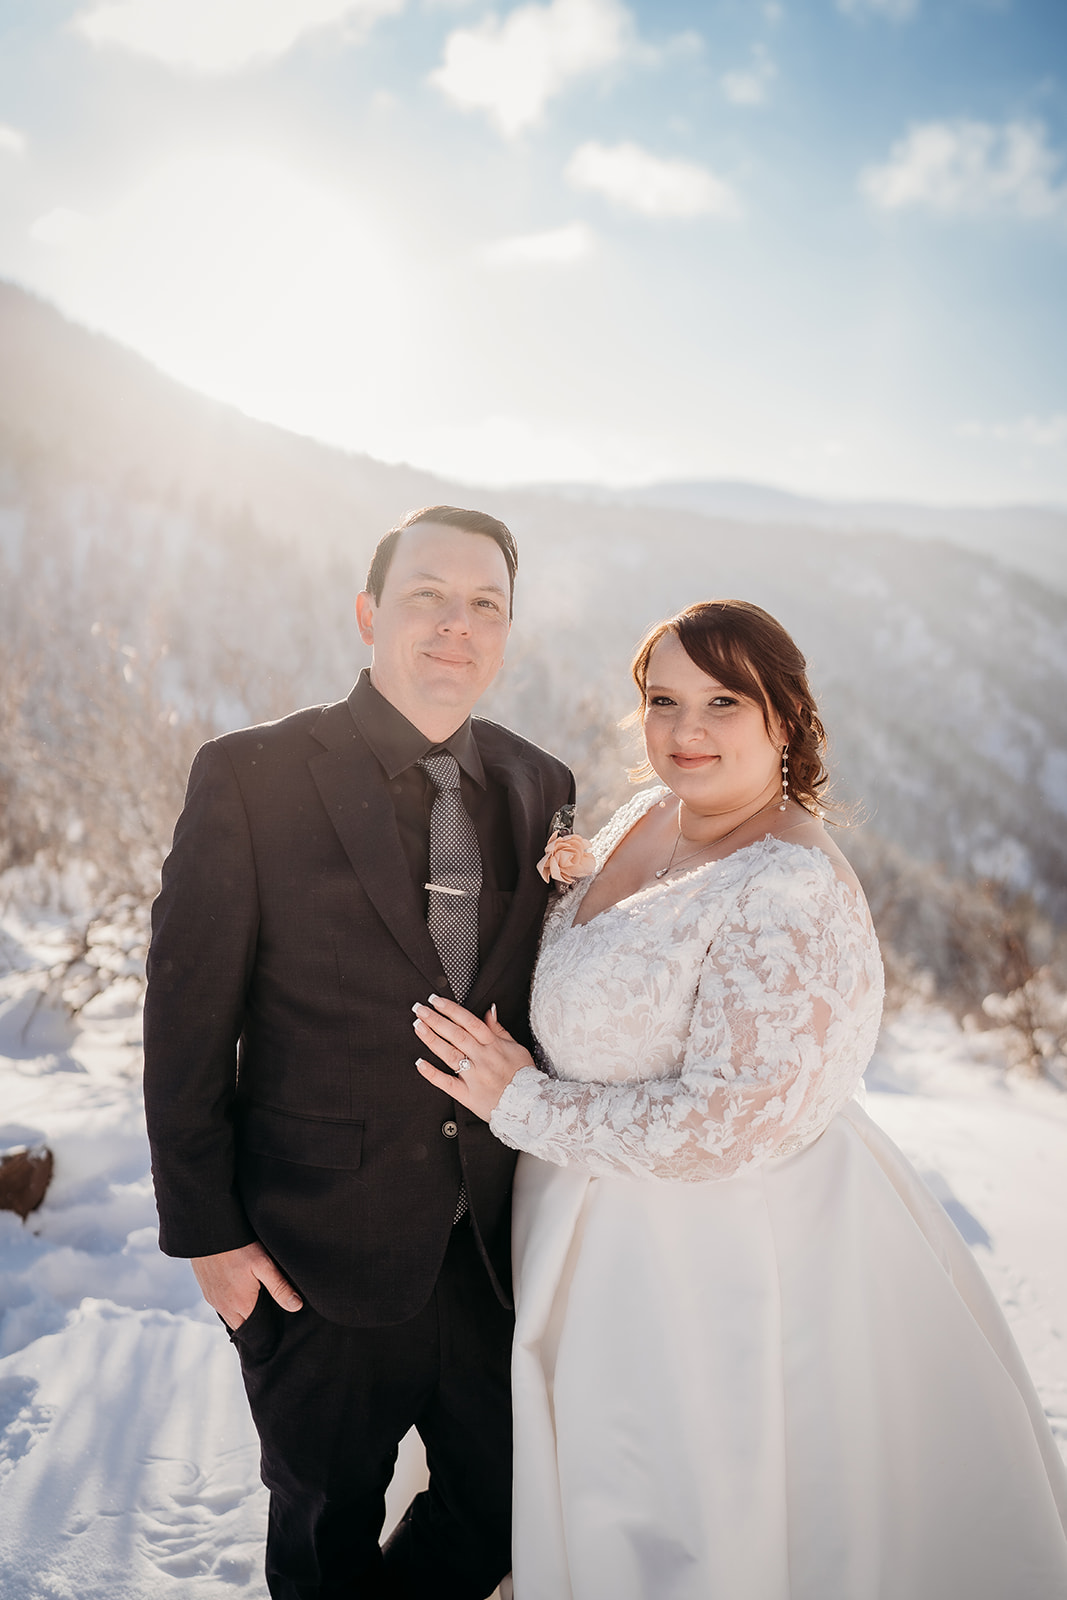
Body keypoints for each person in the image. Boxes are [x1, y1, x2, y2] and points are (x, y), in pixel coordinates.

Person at [412, 598, 1067, 1600]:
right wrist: (568, 889)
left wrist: (523, 1102)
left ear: (784, 720)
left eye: (724, 701)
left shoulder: (787, 890)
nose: (685, 730)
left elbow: (720, 1125)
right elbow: (643, 955)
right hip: (583, 1231)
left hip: (702, 1268)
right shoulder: (645, 813)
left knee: (684, 1519)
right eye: (662, 699)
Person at [143, 504, 574, 1600]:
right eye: (427, 595)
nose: (454, 626)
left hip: (486, 1255)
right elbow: (188, 1015)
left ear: (507, 633)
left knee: (506, 1510)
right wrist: (209, 1237)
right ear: (368, 611)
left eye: (484, 605)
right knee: (323, 1529)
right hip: (308, 1260)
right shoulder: (250, 775)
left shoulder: (541, 787)